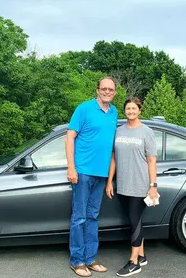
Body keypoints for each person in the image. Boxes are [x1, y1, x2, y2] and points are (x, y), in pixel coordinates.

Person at [65, 76, 118, 277]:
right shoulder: (84, 108)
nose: (107, 92)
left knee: (93, 217)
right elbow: (69, 137)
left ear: (114, 92)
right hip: (83, 173)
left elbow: (112, 149)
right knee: (79, 217)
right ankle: (77, 261)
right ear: (97, 90)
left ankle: (90, 259)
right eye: (103, 88)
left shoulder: (113, 112)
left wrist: (110, 178)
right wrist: (71, 167)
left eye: (110, 89)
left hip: (101, 174)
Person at [106, 96, 158, 277]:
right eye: (128, 109)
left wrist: (153, 186)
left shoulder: (146, 132)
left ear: (139, 111)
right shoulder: (119, 131)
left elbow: (151, 160)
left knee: (135, 221)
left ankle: (134, 262)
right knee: (134, 220)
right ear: (125, 111)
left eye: (134, 109)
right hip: (122, 185)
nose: (131, 111)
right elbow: (113, 158)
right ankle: (142, 255)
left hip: (140, 185)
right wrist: (109, 182)